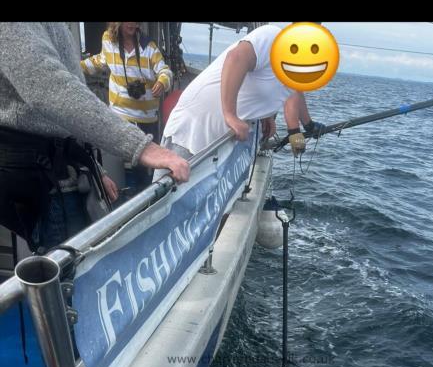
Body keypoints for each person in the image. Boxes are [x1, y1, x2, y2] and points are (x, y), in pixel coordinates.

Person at [0, 22, 190, 251]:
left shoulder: (148, 48)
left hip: (78, 161)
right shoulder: (108, 45)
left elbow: (163, 70)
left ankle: (143, 208)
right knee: (67, 269)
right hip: (44, 179)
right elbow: (50, 87)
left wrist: (96, 170)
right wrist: (143, 147)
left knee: (140, 178)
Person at [154, 23, 325, 174]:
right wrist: (230, 115)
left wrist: (307, 125)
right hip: (192, 133)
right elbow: (236, 58)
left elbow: (294, 96)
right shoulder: (272, 36)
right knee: (165, 204)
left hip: (220, 146)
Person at [81, 22, 173, 196]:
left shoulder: (149, 47)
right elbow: (101, 61)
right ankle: (120, 196)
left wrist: (162, 82)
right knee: (118, 159)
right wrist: (76, 67)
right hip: (119, 114)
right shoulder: (108, 40)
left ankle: (144, 197)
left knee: (145, 165)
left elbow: (165, 71)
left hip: (146, 118)